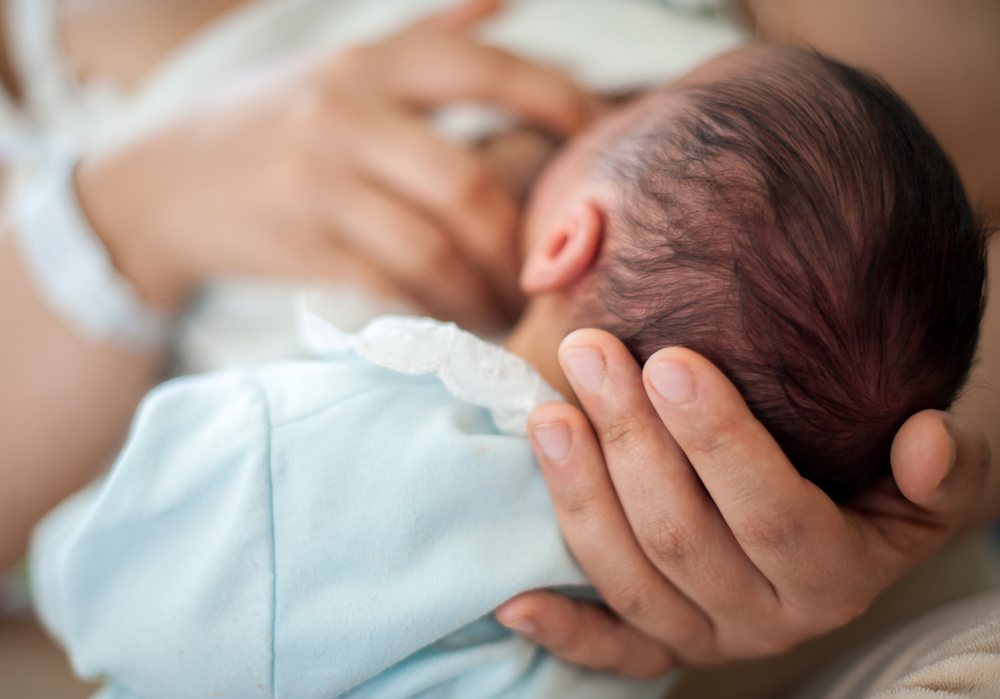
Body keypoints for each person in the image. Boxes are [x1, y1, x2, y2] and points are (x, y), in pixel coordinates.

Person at [0, 0, 997, 691]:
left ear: (564, 241)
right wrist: (119, 214)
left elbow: (103, 586)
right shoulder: (559, 610)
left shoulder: (302, 447)